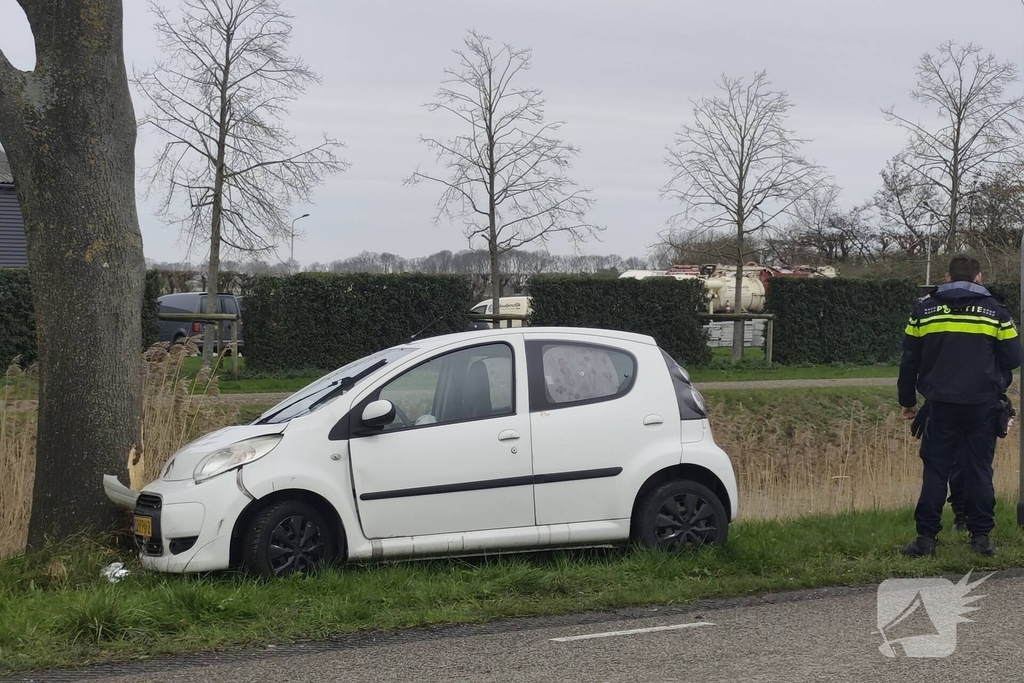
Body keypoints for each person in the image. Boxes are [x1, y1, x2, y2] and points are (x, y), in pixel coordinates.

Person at [898, 255, 1021, 557]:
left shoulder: (925, 310)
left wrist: (908, 401)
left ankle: (926, 538)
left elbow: (909, 359)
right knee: (979, 469)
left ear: (947, 277)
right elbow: (1015, 357)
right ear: (979, 277)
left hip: (939, 404)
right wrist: (997, 381)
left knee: (936, 470)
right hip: (982, 403)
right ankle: (981, 538)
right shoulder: (995, 311)